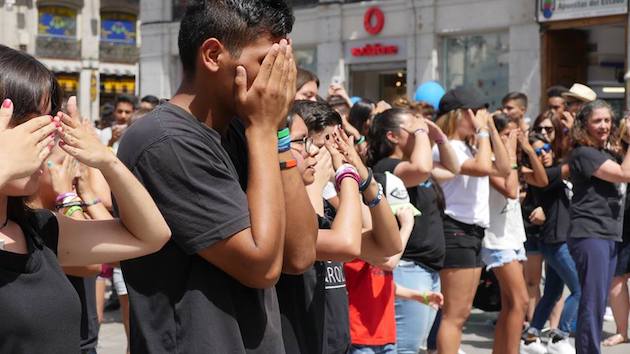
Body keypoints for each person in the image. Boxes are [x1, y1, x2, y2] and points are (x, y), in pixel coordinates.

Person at [116, 2, 321, 353]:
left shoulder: (248, 129)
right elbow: (262, 267)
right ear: (213, 54)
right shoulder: (164, 141)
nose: (281, 80)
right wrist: (262, 132)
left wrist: (278, 132)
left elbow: (300, 256)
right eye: (267, 63)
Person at [0, 44, 170, 353]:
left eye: (47, 121)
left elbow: (152, 235)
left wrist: (106, 161)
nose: (44, 138)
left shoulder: (38, 231)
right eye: (27, 123)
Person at [289, 101, 401, 354]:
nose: (334, 154)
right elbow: (339, 243)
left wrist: (364, 178)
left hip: (337, 341)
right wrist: (326, 182)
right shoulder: (291, 204)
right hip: (303, 340)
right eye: (323, 146)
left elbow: (387, 248)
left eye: (337, 143)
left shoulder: (332, 203)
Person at [367, 107, 459, 354]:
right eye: (413, 128)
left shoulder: (418, 165)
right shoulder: (388, 167)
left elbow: (452, 169)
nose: (421, 131)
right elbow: (420, 169)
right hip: (409, 266)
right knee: (404, 347)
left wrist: (438, 136)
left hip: (426, 267)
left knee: (412, 345)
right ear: (392, 136)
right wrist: (421, 130)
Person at [433, 86, 512, 354]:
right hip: (456, 230)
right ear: (462, 114)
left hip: (471, 232)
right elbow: (481, 169)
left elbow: (502, 168)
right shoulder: (446, 146)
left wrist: (490, 130)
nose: (484, 117)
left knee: (459, 314)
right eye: (479, 112)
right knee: (454, 315)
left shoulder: (469, 146)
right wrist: (484, 131)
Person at [483, 113, 548, 354]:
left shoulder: (512, 163)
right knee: (520, 303)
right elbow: (510, 190)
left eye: (515, 133)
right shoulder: (488, 162)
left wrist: (528, 149)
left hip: (514, 238)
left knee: (511, 305)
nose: (512, 139)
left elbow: (541, 180)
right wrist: (509, 150)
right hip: (495, 240)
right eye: (506, 135)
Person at [567, 100, 629, 354]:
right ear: (584, 125)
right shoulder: (584, 153)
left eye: (607, 120)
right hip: (590, 233)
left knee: (598, 300)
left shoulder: (605, 152)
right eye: (597, 121)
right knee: (592, 302)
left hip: (608, 233)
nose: (604, 125)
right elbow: (624, 174)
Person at [520, 132, 580, 354]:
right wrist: (526, 150)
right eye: (538, 152)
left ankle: (530, 336)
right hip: (556, 242)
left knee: (553, 292)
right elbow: (541, 179)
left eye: (546, 148)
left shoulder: (556, 170)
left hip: (561, 239)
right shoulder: (545, 175)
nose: (543, 153)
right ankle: (559, 336)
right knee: (579, 288)